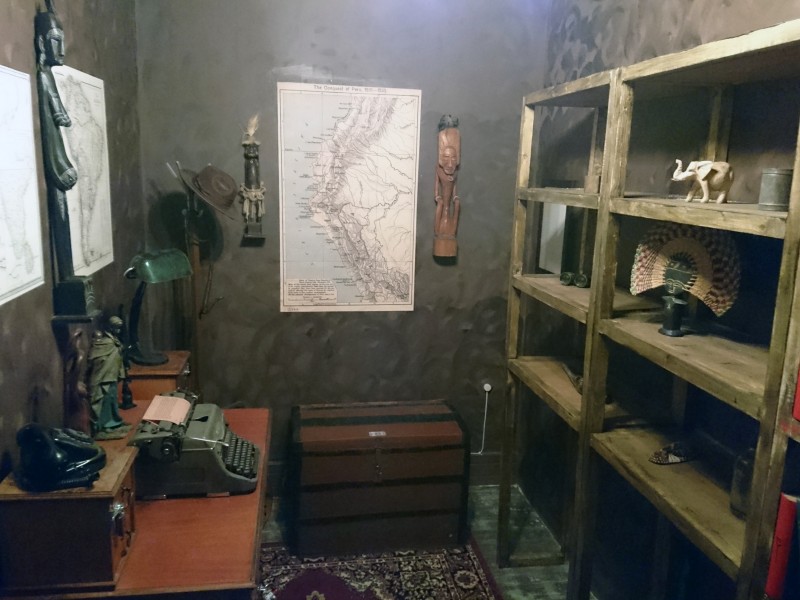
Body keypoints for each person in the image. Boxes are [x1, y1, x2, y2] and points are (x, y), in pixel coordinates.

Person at [35, 0, 78, 280]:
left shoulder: (47, 75)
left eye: (61, 41)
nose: (61, 49)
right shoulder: (43, 76)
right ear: (42, 43)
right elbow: (57, 114)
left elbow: (60, 114)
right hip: (56, 161)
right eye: (54, 41)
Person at [88, 316, 130, 438]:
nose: (118, 331)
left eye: (119, 328)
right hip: (104, 377)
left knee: (112, 399)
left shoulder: (114, 341)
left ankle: (114, 422)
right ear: (110, 328)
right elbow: (95, 358)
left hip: (112, 375)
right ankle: (105, 425)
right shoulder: (105, 343)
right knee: (105, 401)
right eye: (116, 328)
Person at [433, 115, 461, 257]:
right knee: (442, 206)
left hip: (450, 203)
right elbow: (436, 185)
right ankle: (438, 232)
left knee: (456, 206)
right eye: (446, 157)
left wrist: (455, 197)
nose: (450, 163)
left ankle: (451, 234)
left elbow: (454, 184)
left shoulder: (454, 173)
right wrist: (437, 196)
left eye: (453, 158)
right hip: (442, 201)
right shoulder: (439, 170)